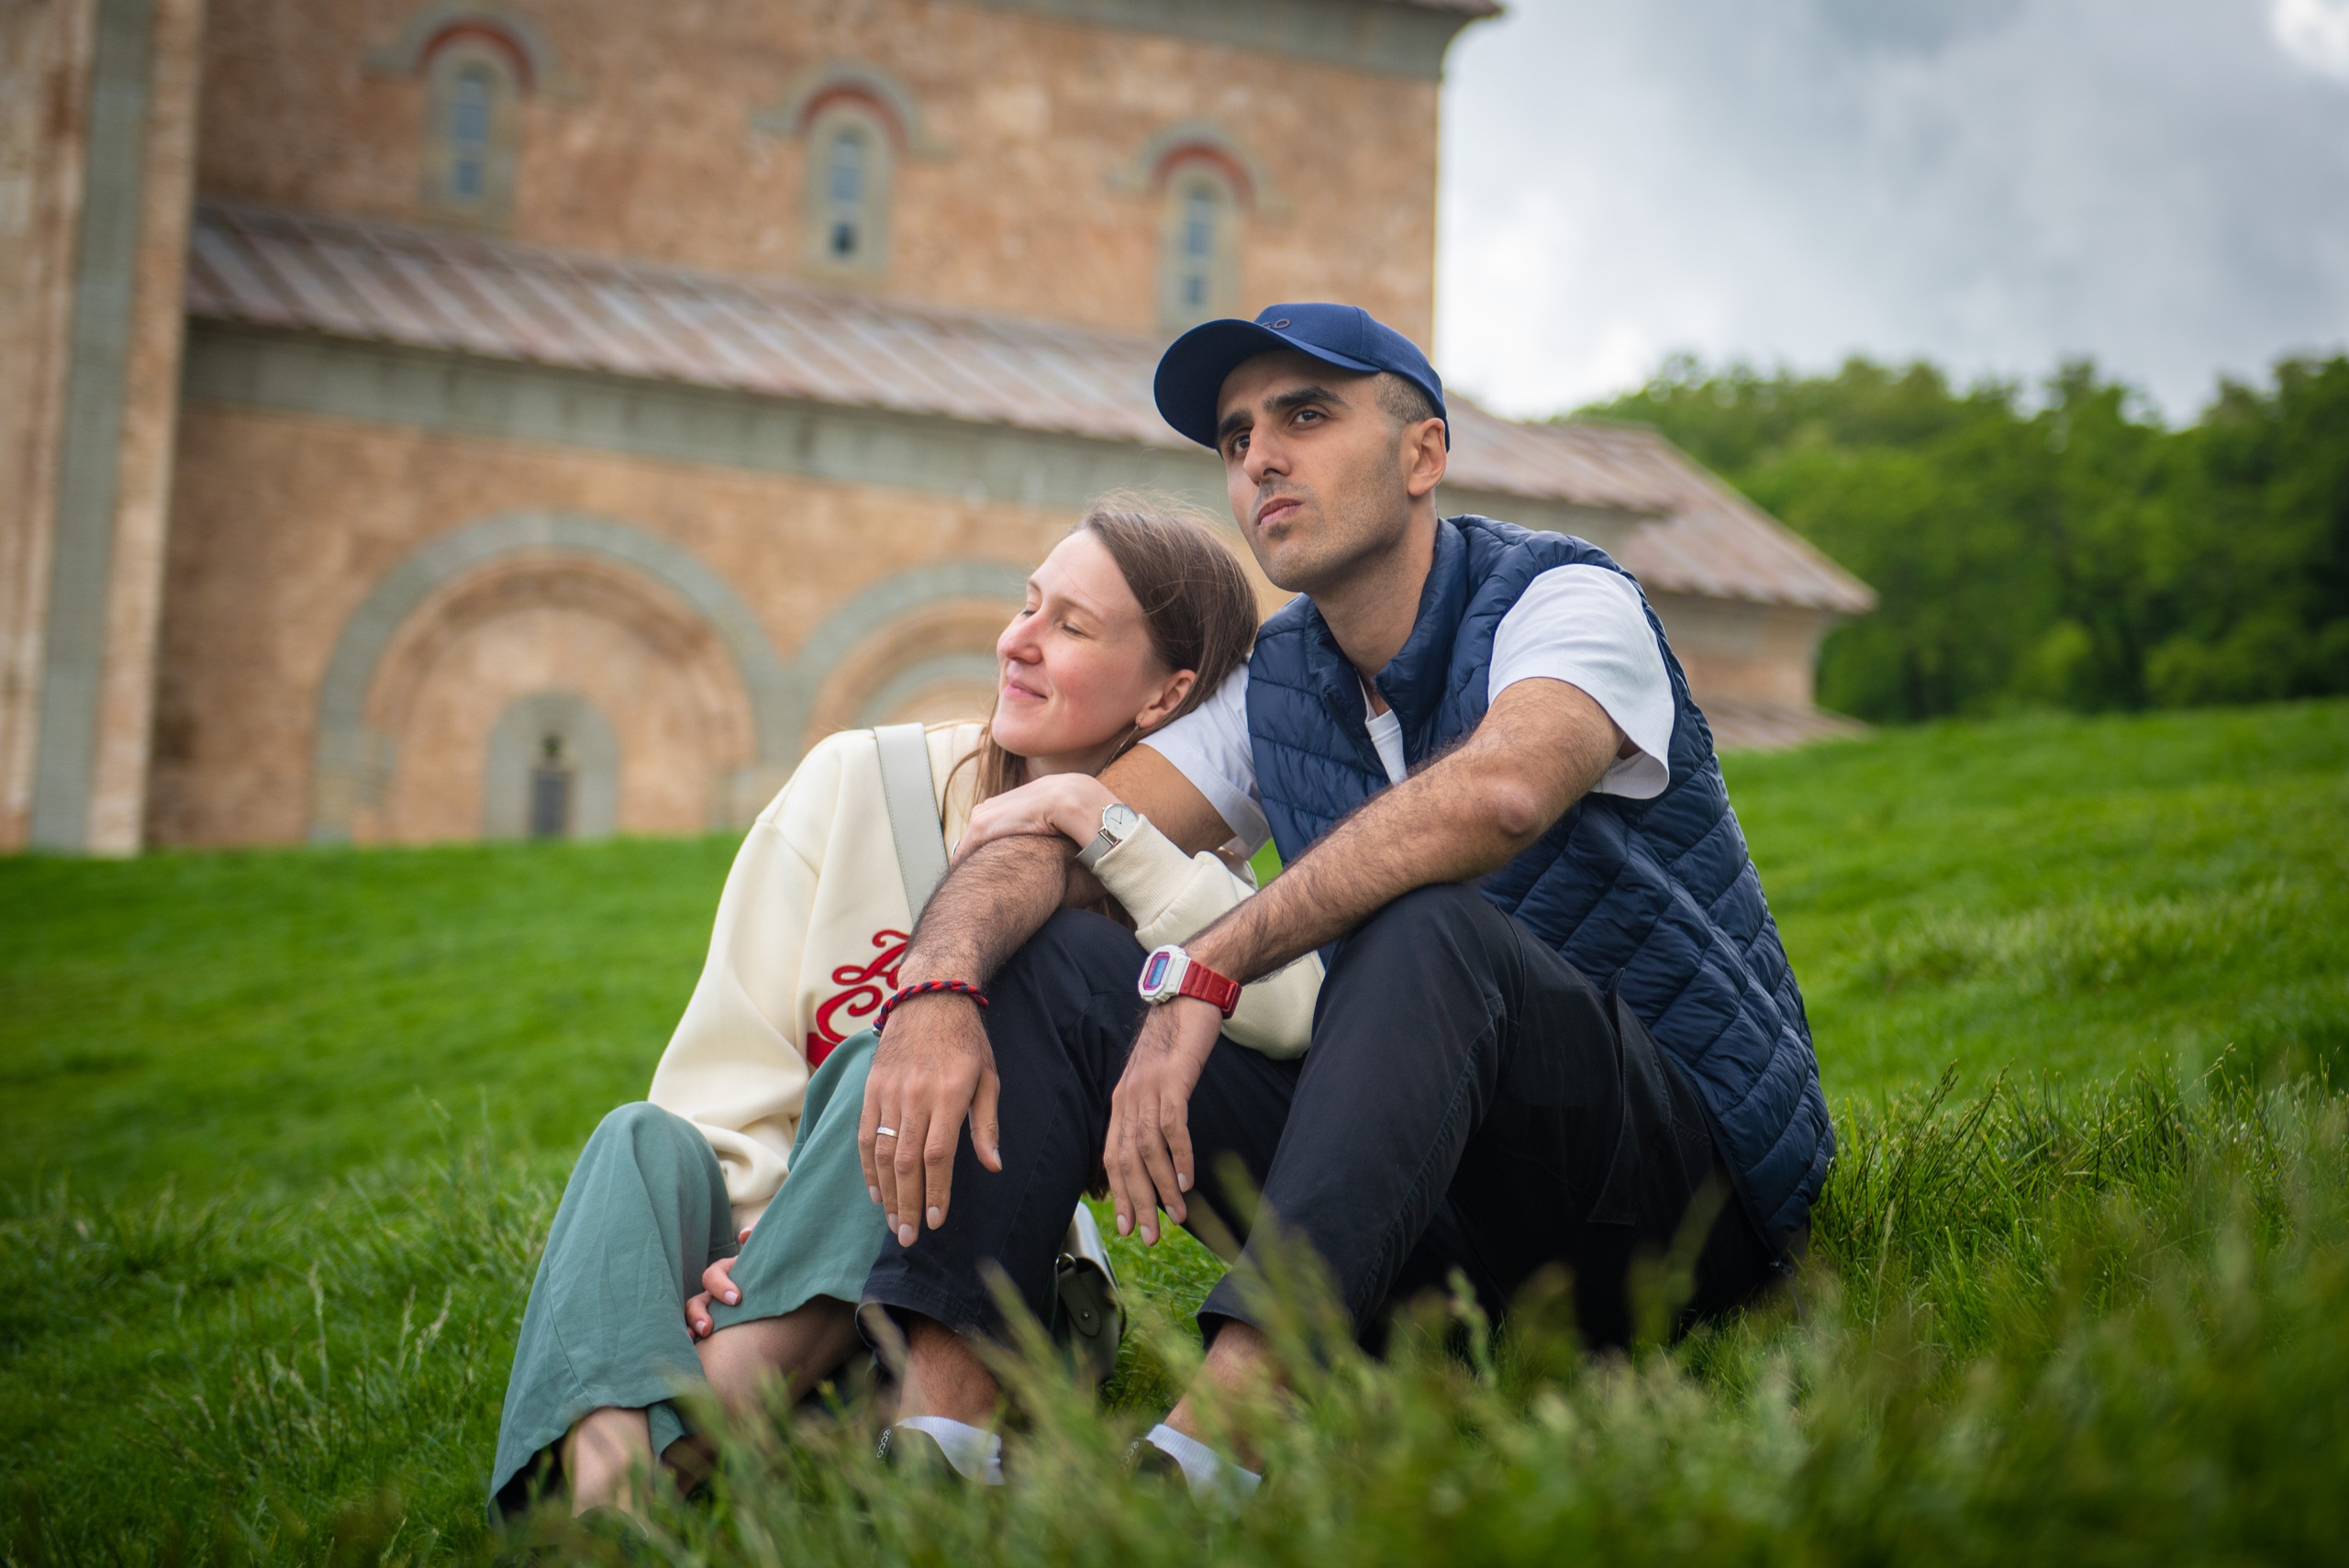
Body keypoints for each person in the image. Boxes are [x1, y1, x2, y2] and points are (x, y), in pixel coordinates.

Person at [852, 304, 1834, 1499]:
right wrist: (937, 990)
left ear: (1422, 454)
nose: (1259, 455)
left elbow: (1506, 790)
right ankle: (935, 1447)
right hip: (1422, 1215)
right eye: (1233, 436)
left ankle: (1213, 1453)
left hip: (1671, 1204)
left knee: (1424, 926)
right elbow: (1047, 839)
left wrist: (1211, 963)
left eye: (1305, 416)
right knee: (1051, 953)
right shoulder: (1284, 681)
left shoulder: (1564, 602)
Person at [487, 501, 1314, 1520]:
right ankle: (629, 1483)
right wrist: (759, 1244)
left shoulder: (1169, 870)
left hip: (950, 1306)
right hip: (759, 1266)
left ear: (1168, 692)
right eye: (1026, 605)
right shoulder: (858, 780)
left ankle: (663, 1447)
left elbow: (1293, 1013)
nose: (1015, 640)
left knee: (893, 1052)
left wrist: (1111, 835)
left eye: (1070, 625)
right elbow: (727, 1067)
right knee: (637, 1140)